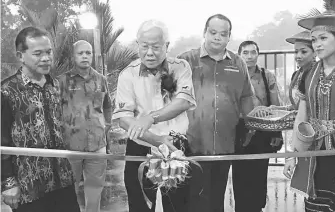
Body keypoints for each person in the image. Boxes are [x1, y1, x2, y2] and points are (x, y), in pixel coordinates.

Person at [112, 20, 197, 212]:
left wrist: (151, 118)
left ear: (166, 46)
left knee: (179, 205)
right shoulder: (128, 75)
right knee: (139, 203)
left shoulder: (181, 67)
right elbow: (124, 120)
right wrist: (156, 140)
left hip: (176, 145)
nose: (149, 53)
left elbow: (183, 101)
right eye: (144, 46)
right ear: (137, 45)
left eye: (156, 47)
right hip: (142, 146)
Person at [283, 11, 335, 212]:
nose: (317, 44)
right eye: (314, 39)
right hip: (314, 152)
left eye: (323, 38)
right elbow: (301, 118)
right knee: (316, 206)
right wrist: (292, 155)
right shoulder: (307, 73)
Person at [178, 14, 255, 212]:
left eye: (223, 34)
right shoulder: (186, 61)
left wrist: (251, 127)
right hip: (190, 143)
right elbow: (167, 95)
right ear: (204, 33)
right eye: (213, 32)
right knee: (191, 199)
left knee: (216, 198)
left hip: (225, 144)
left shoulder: (238, 63)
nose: (217, 38)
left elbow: (246, 97)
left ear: (229, 37)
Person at [1, 26, 80, 212]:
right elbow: (1, 140)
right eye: (38, 53)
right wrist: (8, 183)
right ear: (21, 56)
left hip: (63, 180)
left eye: (48, 52)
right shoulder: (7, 92)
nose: (46, 58)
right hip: (29, 186)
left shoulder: (57, 86)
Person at [58, 40, 112, 212]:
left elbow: (107, 106)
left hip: (97, 145)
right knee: (68, 189)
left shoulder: (101, 80)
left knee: (95, 189)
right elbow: (54, 108)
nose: (84, 56)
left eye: (88, 53)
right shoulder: (62, 81)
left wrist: (107, 125)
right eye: (80, 53)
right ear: (73, 56)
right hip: (70, 145)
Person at [232, 40, 283, 212]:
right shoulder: (233, 76)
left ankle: (257, 207)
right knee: (240, 174)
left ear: (258, 55)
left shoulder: (267, 76)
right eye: (245, 52)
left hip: (263, 129)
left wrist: (277, 133)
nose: (249, 56)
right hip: (239, 129)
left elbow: (275, 106)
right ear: (239, 55)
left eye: (253, 52)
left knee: (260, 173)